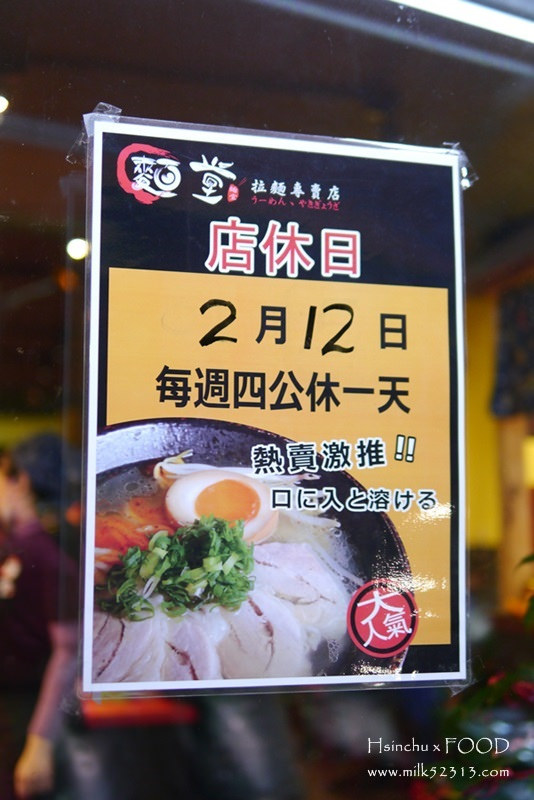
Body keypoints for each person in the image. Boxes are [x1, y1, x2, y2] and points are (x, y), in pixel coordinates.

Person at [0, 434, 79, 799]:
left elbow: (68, 649)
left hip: (29, 710)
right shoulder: (17, 544)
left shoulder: (47, 551)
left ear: (21, 480)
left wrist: (40, 741)